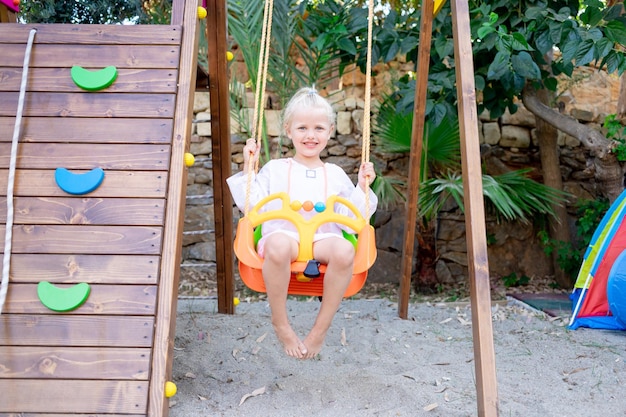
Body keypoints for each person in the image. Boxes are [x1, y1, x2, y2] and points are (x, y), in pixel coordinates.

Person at [227, 87, 378, 359]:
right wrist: (248, 168)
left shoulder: (335, 174)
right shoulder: (275, 169)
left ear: (330, 131)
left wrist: (362, 186)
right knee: (279, 247)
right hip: (283, 234)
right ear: (288, 130)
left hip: (323, 238)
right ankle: (281, 323)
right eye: (302, 128)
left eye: (319, 128)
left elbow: (352, 220)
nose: (311, 135)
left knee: (345, 251)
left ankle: (320, 330)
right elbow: (250, 205)